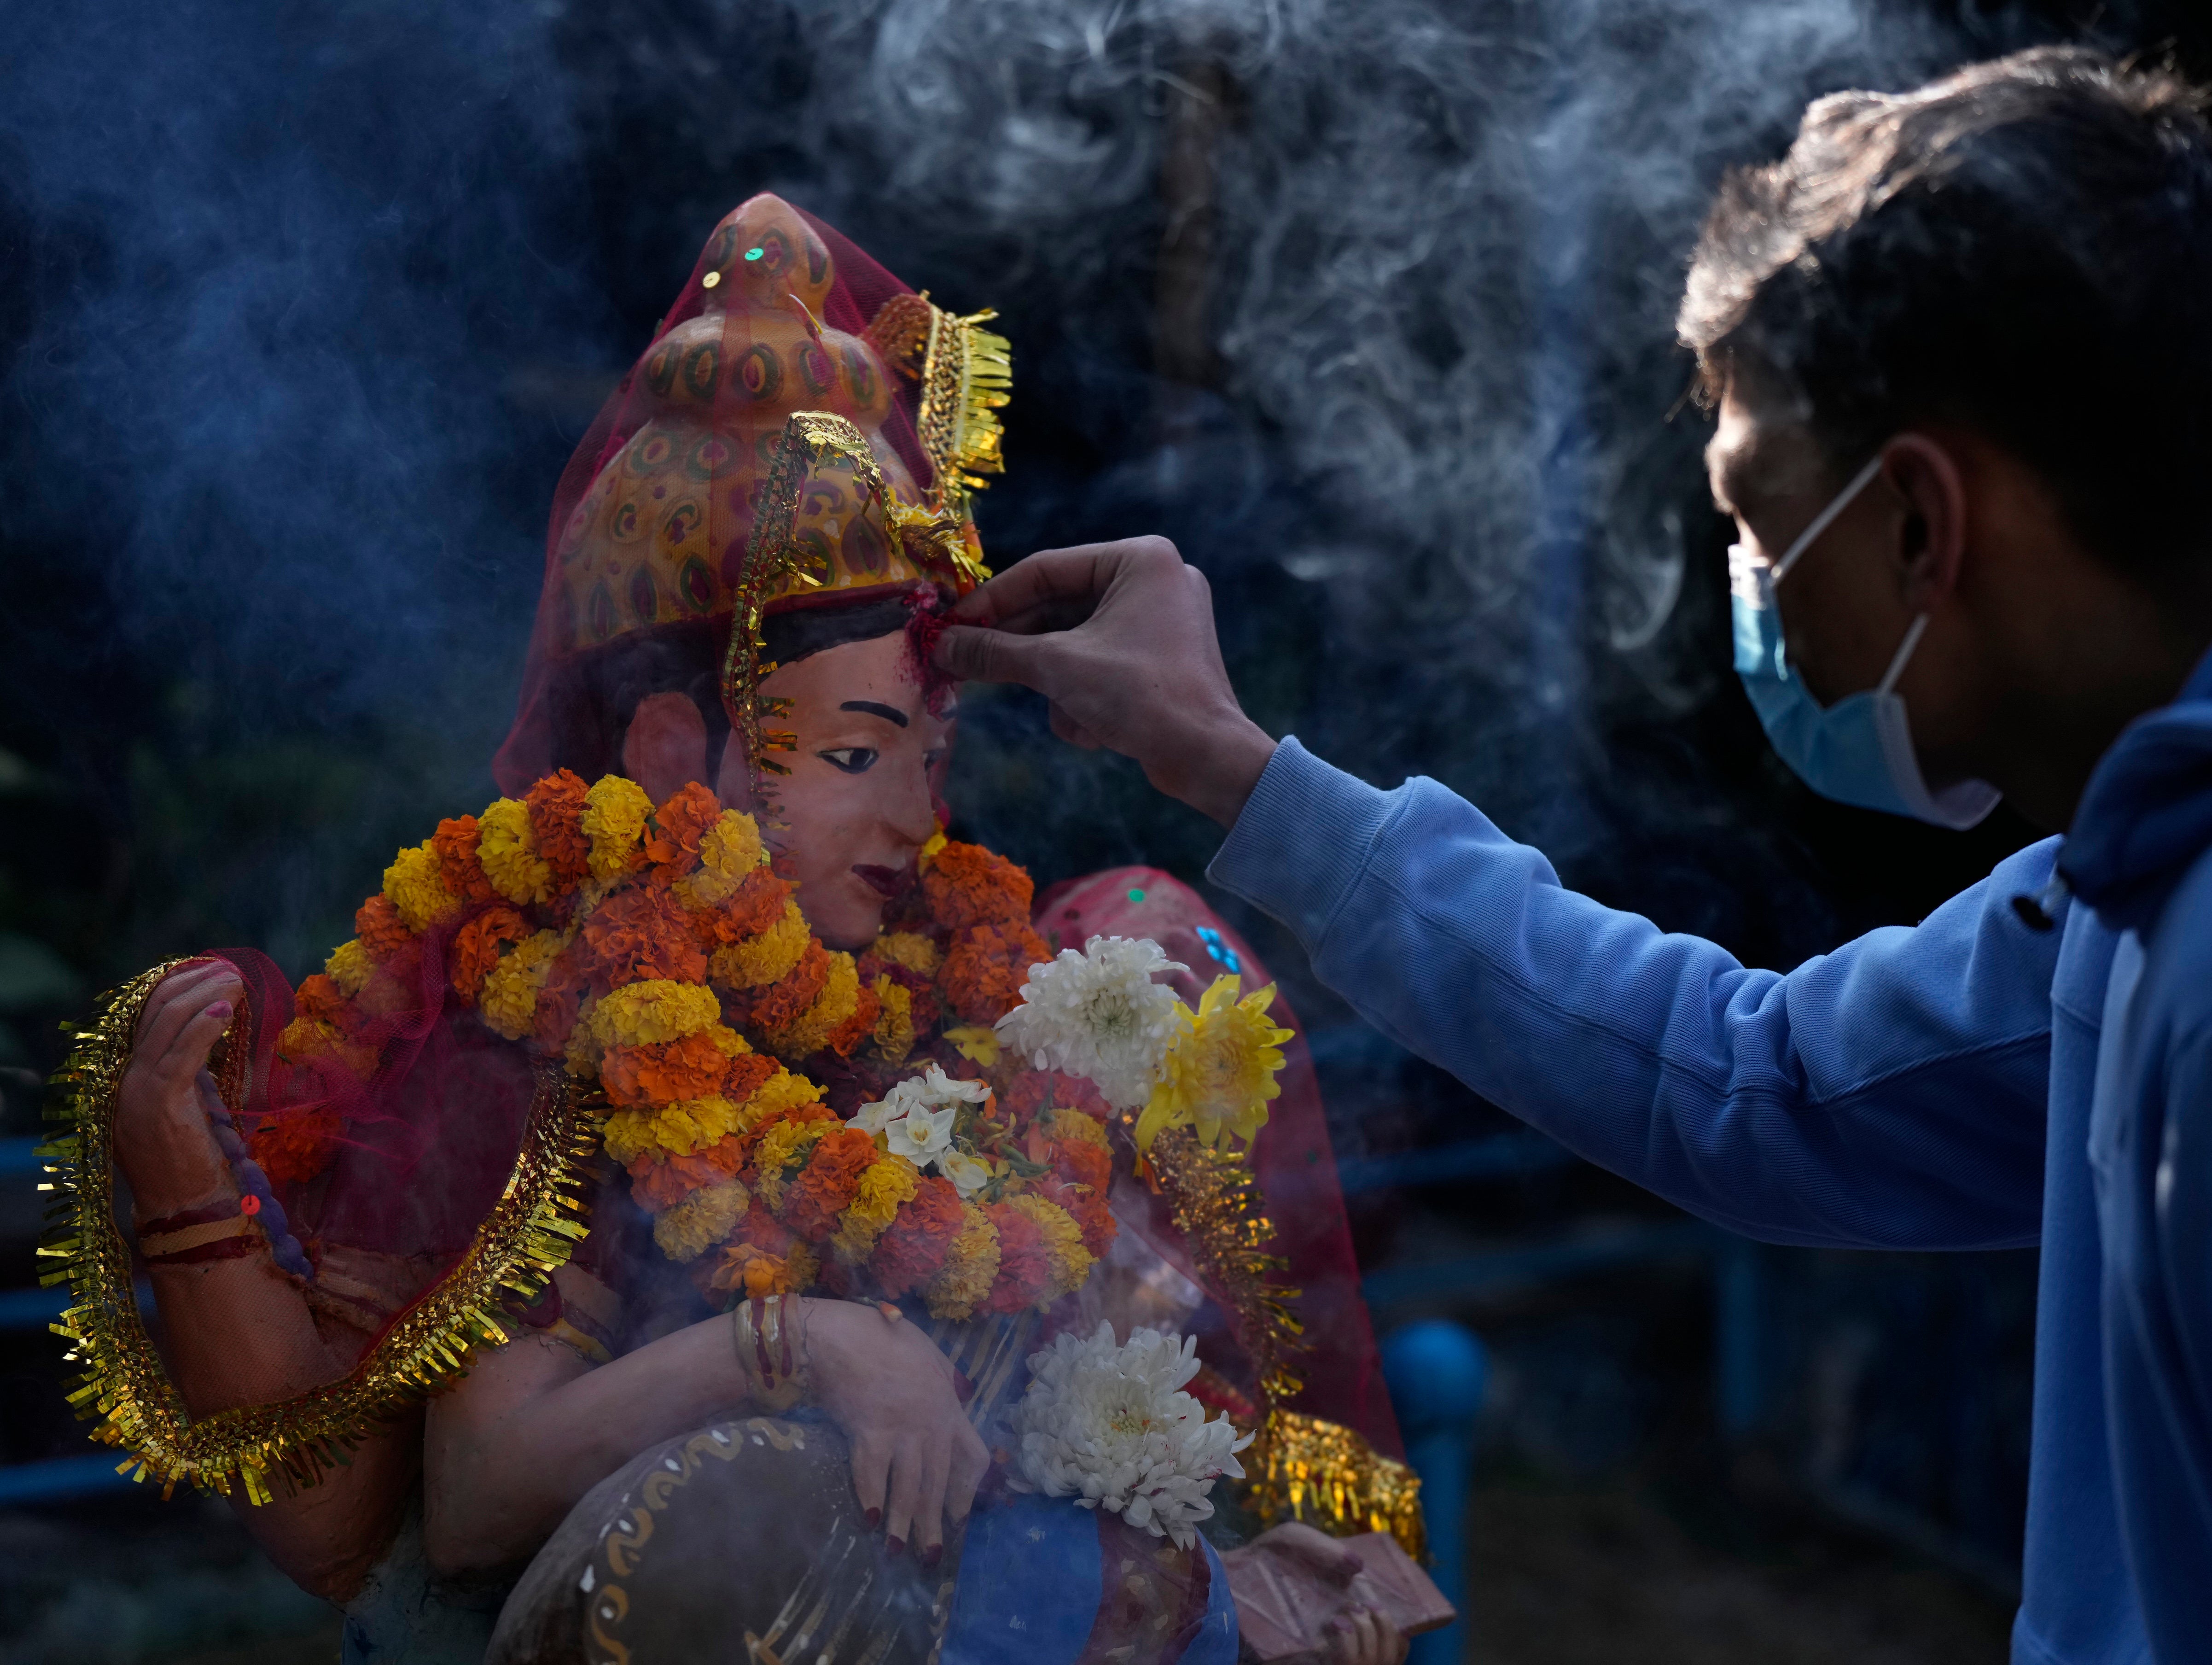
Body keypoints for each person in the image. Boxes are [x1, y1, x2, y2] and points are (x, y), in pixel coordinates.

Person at [932, 47, 2212, 1665]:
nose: (1755, 599)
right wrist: (1231, 764)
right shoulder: (2167, 861)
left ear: (1921, 522)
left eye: (1761, 525)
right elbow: (1758, 1086)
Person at [67, 194, 1414, 1665]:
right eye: (852, 757)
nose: (913, 819)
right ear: (666, 752)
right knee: (755, 1516)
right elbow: (470, 1504)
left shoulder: (927, 998)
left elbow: (1023, 1367)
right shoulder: (564, 1022)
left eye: (931, 760)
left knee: (1157, 940)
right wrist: (810, 1349)